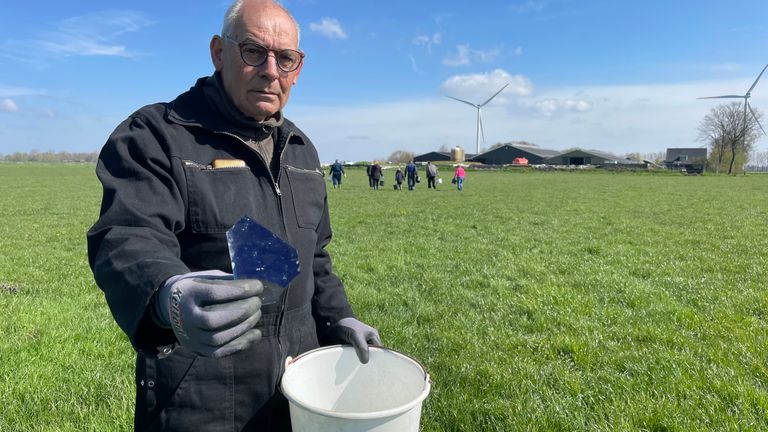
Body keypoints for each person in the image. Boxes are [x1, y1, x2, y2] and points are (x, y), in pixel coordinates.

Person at [86, 1, 381, 430]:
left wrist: (340, 318)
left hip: (299, 386)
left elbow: (315, 256)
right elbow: (128, 236)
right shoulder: (157, 135)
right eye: (253, 51)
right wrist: (169, 296)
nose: (270, 70)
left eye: (286, 58)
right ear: (218, 53)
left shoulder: (301, 149)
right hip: (201, 395)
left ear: (298, 69)